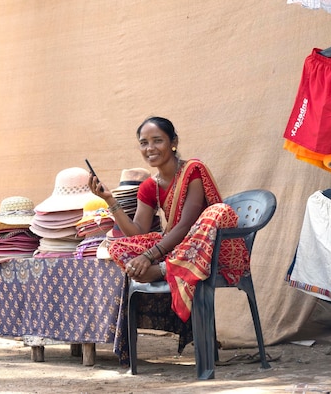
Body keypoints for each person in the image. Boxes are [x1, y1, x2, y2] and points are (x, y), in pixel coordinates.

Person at [88, 116, 249, 322]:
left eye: (158, 140)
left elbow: (186, 224)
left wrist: (148, 257)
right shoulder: (149, 186)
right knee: (118, 247)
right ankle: (174, 268)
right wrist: (109, 199)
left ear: (173, 143)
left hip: (210, 249)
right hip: (179, 249)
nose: (150, 148)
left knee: (216, 211)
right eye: (144, 143)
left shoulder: (193, 171)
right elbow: (138, 231)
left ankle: (164, 270)